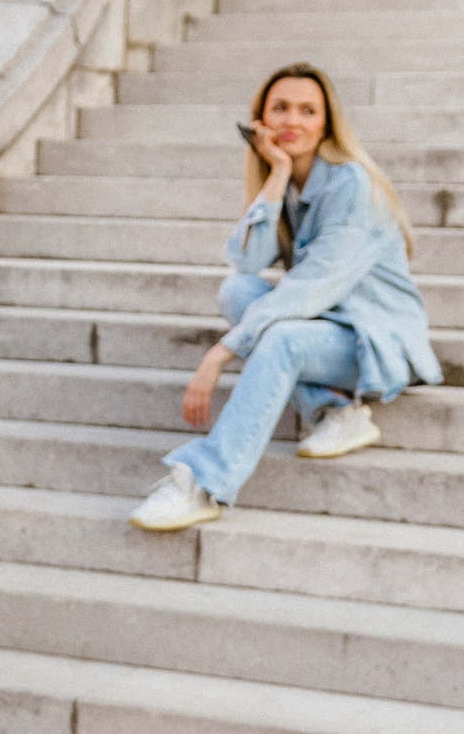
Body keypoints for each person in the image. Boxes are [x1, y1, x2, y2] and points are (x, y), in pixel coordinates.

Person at [129, 61, 443, 532]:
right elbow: (247, 261)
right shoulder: (293, 183)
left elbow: (313, 284)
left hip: (373, 340)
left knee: (281, 340)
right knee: (238, 292)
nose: (291, 121)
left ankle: (204, 483)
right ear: (260, 121)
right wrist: (274, 175)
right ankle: (333, 410)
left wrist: (221, 352)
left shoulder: (351, 184)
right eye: (279, 109)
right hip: (327, 325)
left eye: (307, 111)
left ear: (326, 124)